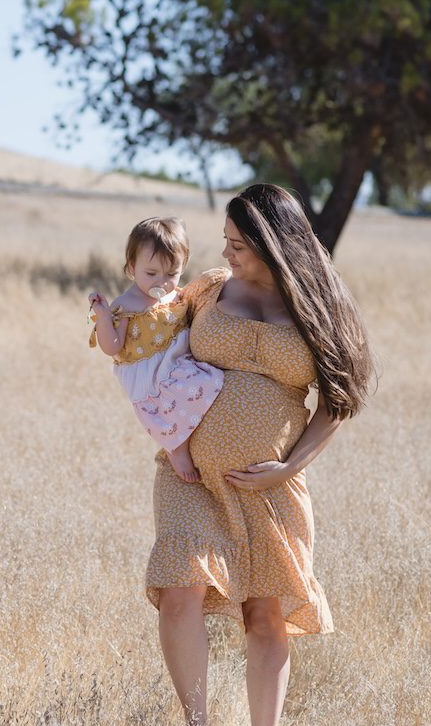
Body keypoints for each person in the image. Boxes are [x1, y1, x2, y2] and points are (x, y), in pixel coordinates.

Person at [147, 184, 374, 725]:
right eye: (225, 241)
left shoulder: (319, 304)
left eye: (238, 245)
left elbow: (340, 399)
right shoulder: (209, 290)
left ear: (273, 244)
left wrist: (290, 467)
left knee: (265, 615)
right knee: (180, 589)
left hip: (269, 488)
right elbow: (147, 336)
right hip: (191, 477)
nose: (226, 253)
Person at [88, 216, 224, 484]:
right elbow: (112, 346)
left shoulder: (177, 295)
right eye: (151, 274)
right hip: (151, 373)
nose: (161, 282)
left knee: (210, 380)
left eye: (172, 274)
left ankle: (194, 438)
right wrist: (104, 316)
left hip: (176, 362)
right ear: (132, 266)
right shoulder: (128, 303)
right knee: (183, 396)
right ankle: (177, 448)